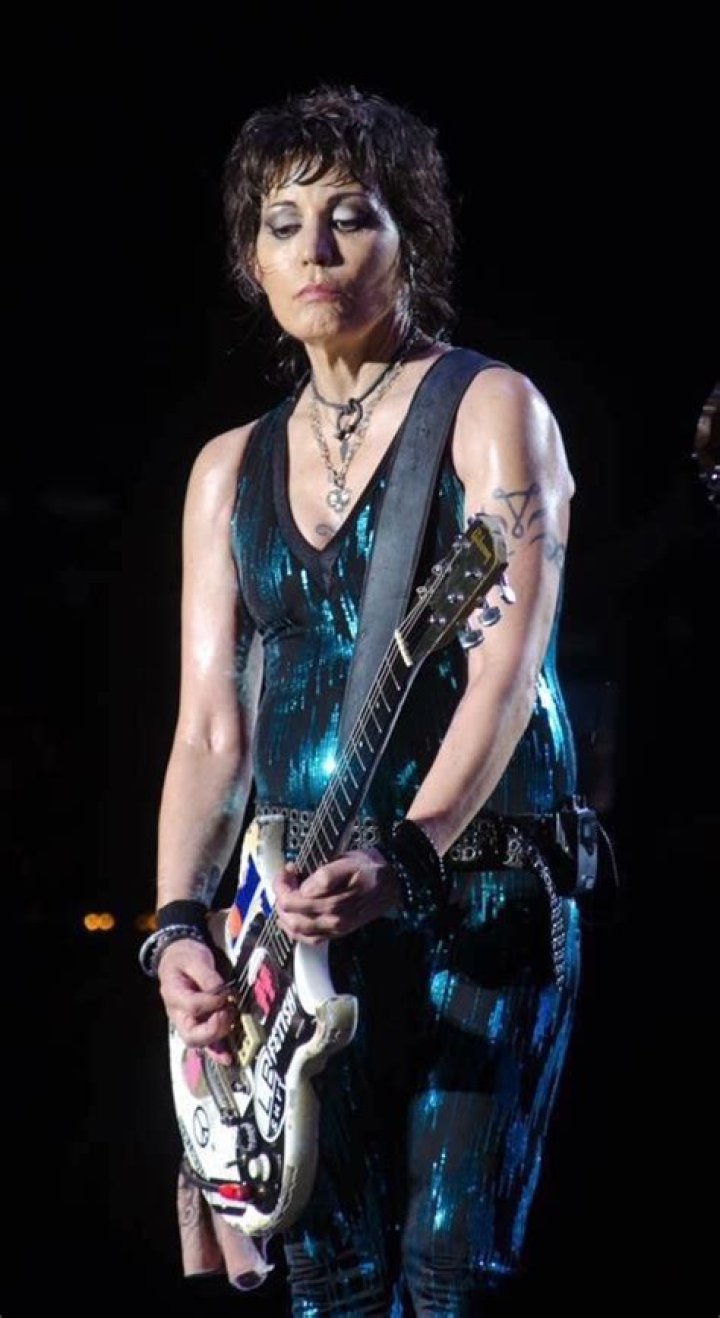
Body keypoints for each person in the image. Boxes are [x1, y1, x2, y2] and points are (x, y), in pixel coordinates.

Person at [143, 83, 581, 1315]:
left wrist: (413, 851)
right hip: (291, 930)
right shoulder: (226, 469)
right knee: (327, 1286)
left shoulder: (489, 408)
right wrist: (179, 926)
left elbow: (507, 669)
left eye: (351, 216)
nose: (316, 251)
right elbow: (209, 729)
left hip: (482, 893)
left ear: (410, 238)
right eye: (283, 225)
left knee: (449, 1276)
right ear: (252, 263)